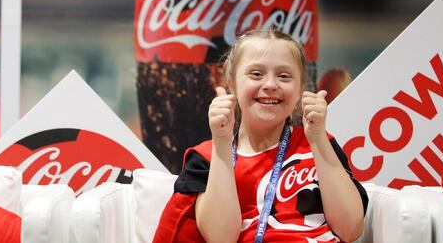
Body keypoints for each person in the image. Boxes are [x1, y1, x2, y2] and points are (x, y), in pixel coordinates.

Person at [152, 29, 368, 243]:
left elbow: (350, 230)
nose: (271, 85)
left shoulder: (321, 143)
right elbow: (221, 238)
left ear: (300, 87)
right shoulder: (206, 157)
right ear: (231, 83)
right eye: (256, 74)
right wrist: (222, 142)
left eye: (284, 76)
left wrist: (318, 138)